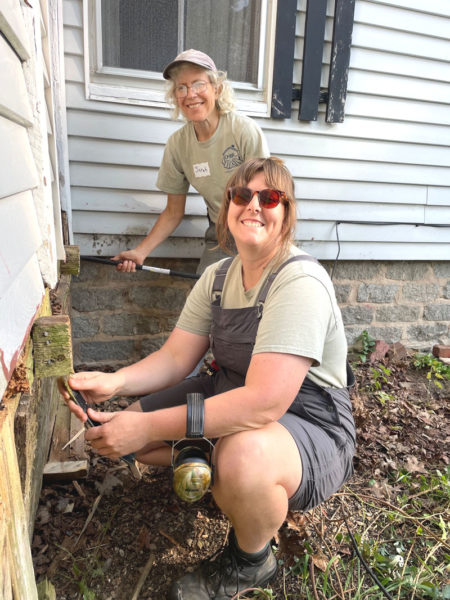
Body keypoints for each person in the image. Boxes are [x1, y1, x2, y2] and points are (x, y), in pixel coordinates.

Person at [61, 157, 356, 599]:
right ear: (227, 207)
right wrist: (116, 383)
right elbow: (177, 357)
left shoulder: (299, 282)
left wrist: (147, 426)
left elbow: (263, 404)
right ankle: (210, 458)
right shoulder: (217, 278)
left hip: (310, 419)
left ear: (286, 211)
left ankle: (250, 560)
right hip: (228, 390)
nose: (253, 205)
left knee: (242, 458)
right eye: (242, 195)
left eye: (269, 197)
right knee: (126, 433)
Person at [113, 48, 269, 275]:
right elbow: (173, 212)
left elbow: (267, 197)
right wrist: (140, 252)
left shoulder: (243, 131)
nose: (190, 94)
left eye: (198, 84)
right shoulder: (178, 145)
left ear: (217, 89)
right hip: (221, 233)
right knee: (205, 298)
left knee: (255, 300)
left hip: (259, 228)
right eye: (181, 88)